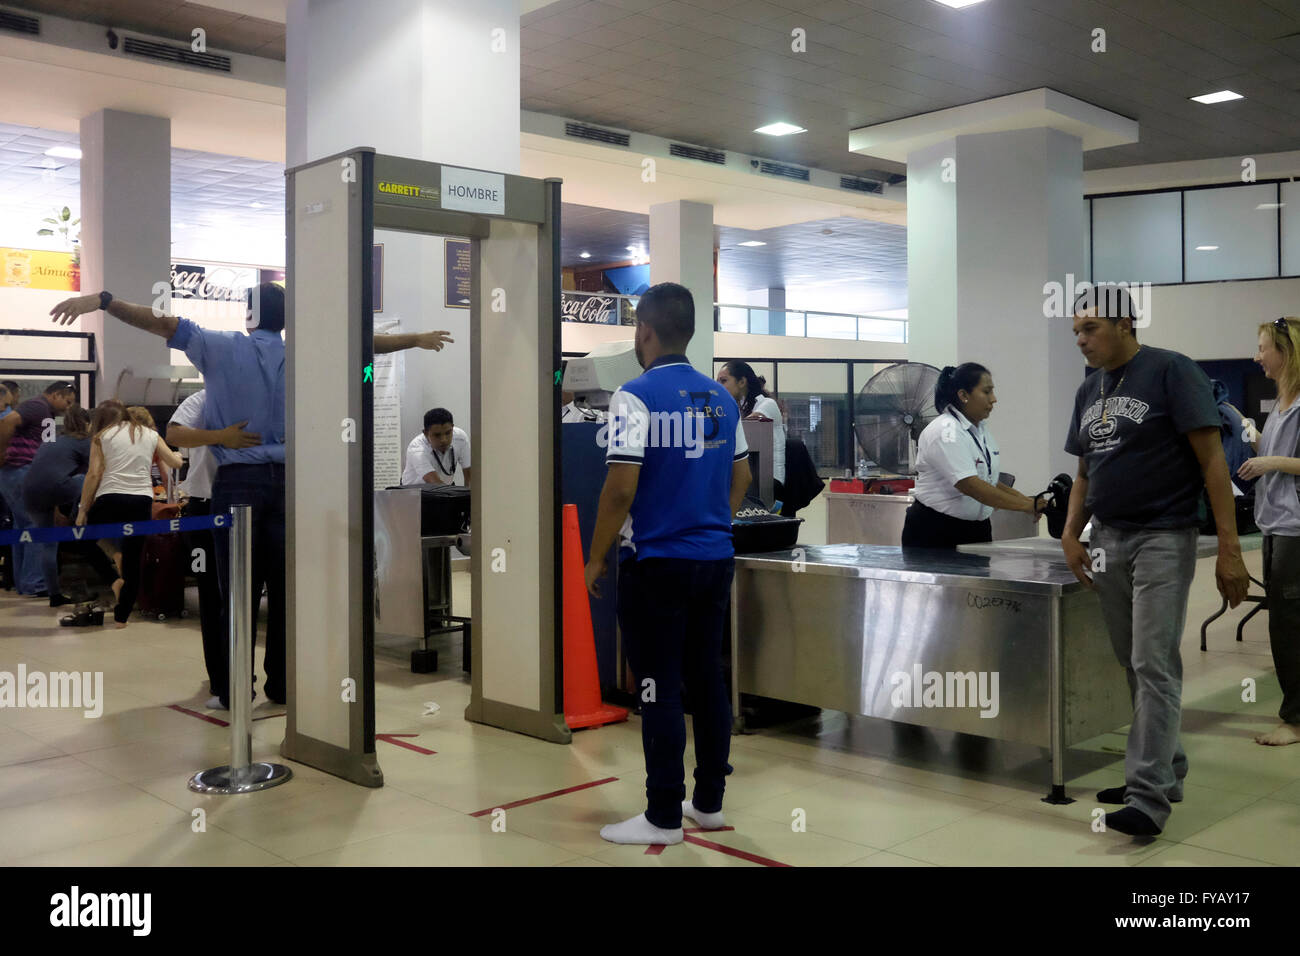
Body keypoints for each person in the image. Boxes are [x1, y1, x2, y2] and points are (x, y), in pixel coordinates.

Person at [52, 286, 453, 706]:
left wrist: (104, 301)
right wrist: (416, 339)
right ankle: (281, 686)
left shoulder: (219, 346)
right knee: (282, 591)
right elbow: (364, 342)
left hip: (239, 483)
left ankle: (234, 689)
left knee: (237, 591)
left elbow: (156, 320)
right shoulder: (303, 352)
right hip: (289, 483)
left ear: (248, 313)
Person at [1061, 284, 1248, 837]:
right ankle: (1166, 769)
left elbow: (1214, 463)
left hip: (1165, 536)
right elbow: (1083, 473)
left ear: (1125, 324)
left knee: (1153, 662)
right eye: (1075, 331)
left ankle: (1146, 797)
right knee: (1132, 660)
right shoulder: (1089, 388)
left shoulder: (1173, 370)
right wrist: (1071, 533)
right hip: (1108, 536)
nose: (1080, 340)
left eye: (1089, 328)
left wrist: (1230, 550)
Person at [584, 281, 751, 846]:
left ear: (645, 331)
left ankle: (660, 813)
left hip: (657, 564)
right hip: (714, 559)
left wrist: (595, 556)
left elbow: (619, 487)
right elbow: (743, 477)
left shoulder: (634, 396)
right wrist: (710, 522)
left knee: (656, 685)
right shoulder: (722, 398)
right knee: (706, 681)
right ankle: (707, 803)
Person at [166, 389, 262, 710]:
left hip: (253, 504)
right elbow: (175, 433)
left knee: (246, 593)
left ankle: (261, 678)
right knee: (212, 594)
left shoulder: (262, 397)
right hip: (205, 505)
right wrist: (222, 436)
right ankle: (226, 682)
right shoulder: (203, 399)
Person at [1238, 317, 1300, 747]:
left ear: (1286, 352)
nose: (1257, 356)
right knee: (1283, 618)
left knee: (1289, 623)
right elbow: (1277, 453)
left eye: (1263, 348)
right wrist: (1254, 438)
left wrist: (1270, 462)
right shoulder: (1282, 403)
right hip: (1275, 523)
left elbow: (1284, 462)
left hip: (1295, 528)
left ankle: (1295, 719)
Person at [901, 363, 1040, 548]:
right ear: (964, 395)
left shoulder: (979, 430)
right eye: (987, 392)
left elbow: (987, 481)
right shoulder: (946, 431)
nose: (994, 399)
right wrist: (1026, 506)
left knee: (979, 578)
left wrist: (1030, 501)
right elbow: (970, 486)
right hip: (937, 531)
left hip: (975, 529)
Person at [77, 397, 184, 628]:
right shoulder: (151, 435)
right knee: (134, 557)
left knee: (85, 541)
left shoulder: (102, 436)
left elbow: (94, 474)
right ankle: (121, 616)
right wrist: (178, 458)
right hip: (141, 500)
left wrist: (82, 509)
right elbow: (174, 464)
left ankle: (113, 580)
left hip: (110, 496)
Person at [21, 404, 114, 605]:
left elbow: (47, 474)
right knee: (84, 480)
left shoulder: (51, 441)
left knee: (48, 544)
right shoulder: (84, 442)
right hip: (55, 490)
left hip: (29, 492)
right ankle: (77, 519)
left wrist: (55, 507)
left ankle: (54, 595)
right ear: (87, 424)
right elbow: (95, 474)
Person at [0, 381, 79, 596]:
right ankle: (36, 584)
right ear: (56, 395)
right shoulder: (37, 407)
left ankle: (24, 583)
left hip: (18, 473)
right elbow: (7, 422)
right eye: (67, 401)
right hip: (21, 470)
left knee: (23, 528)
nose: (68, 407)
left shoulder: (45, 414)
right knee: (37, 527)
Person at [717, 361, 784, 502]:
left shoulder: (766, 404)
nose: (718, 386)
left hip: (768, 480)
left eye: (723, 381)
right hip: (750, 475)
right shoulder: (738, 409)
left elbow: (742, 430)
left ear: (741, 382)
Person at [402, 408, 472, 487]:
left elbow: (470, 476)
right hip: (416, 493)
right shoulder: (417, 448)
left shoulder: (460, 438)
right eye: (437, 435)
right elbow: (435, 482)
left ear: (452, 427)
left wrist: (472, 497)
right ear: (425, 433)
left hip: (446, 488)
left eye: (448, 433)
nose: (443, 440)